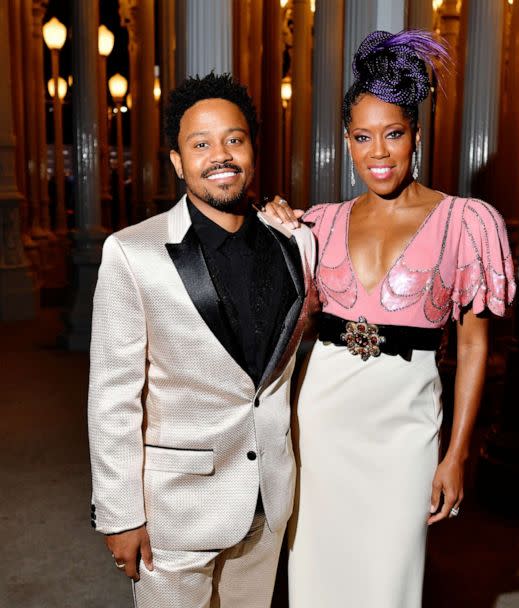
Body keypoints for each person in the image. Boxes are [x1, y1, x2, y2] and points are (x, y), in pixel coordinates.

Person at [264, 30, 516, 607]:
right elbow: (291, 328)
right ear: (347, 142)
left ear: (417, 136)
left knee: (390, 584)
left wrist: (456, 454)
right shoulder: (319, 224)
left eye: (393, 134)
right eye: (362, 137)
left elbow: (475, 348)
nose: (378, 153)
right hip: (323, 422)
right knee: (317, 581)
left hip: (405, 430)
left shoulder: (465, 224)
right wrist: (276, 237)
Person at [87, 72, 316, 608]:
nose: (221, 154)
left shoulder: (294, 243)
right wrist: (120, 514)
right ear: (177, 160)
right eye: (201, 143)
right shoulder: (132, 252)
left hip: (267, 500)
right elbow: (112, 397)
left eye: (234, 139)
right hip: (174, 512)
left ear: (253, 149)